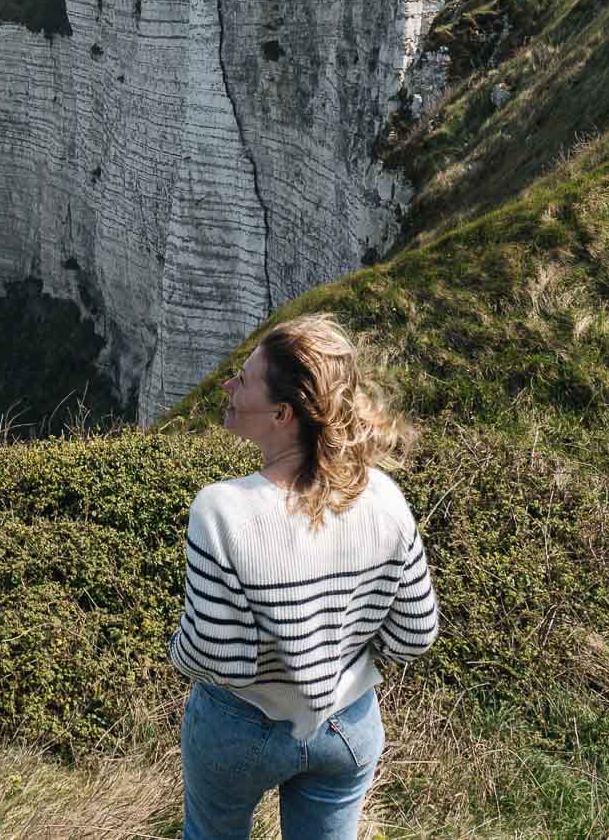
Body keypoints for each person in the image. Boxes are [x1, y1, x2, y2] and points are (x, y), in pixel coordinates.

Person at [169, 314, 438, 840]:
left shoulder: (222, 510)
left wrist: (178, 649)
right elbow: (415, 635)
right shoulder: (384, 497)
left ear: (281, 413)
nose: (227, 385)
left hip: (241, 725)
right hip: (348, 726)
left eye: (243, 380)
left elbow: (212, 657)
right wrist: (339, 660)